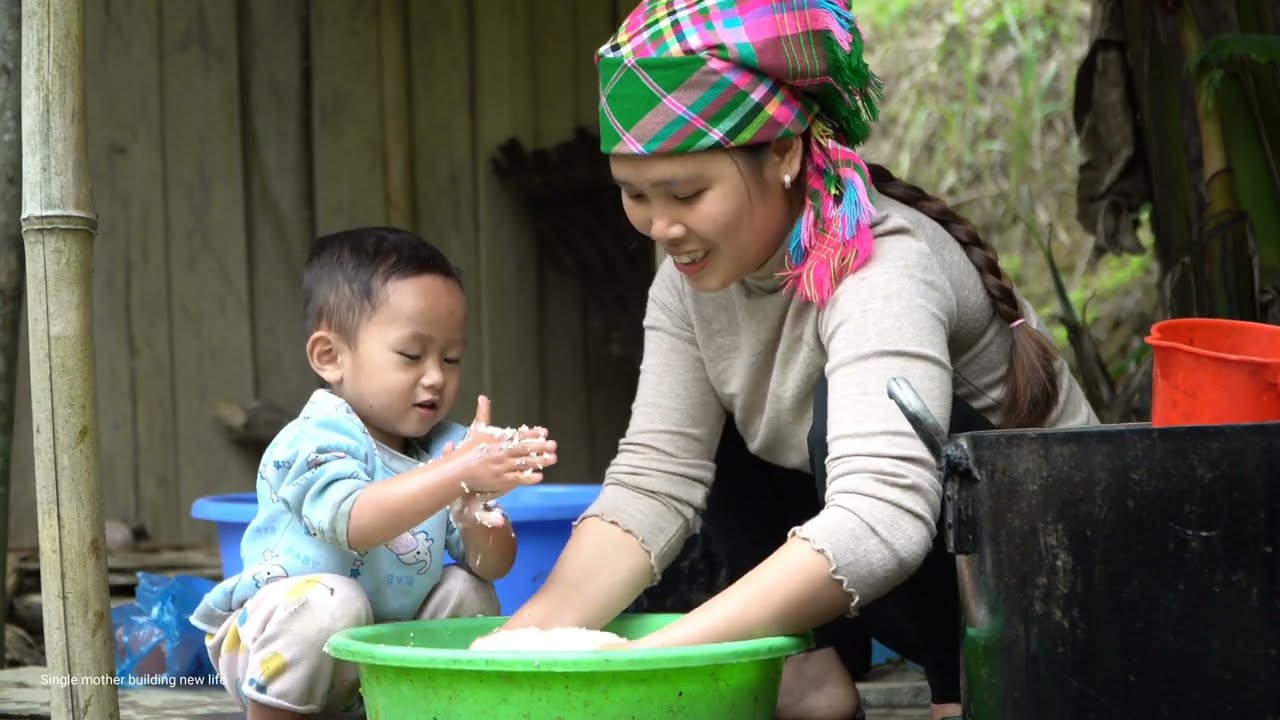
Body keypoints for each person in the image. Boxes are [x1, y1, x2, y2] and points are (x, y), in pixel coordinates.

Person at [495, 2, 1099, 719]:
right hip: (886, 547)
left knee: (841, 426)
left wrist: (660, 656)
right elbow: (657, 478)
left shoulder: (883, 269)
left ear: (784, 153)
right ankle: (806, 664)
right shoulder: (688, 281)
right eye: (634, 195)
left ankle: (957, 681)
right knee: (716, 429)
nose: (661, 227)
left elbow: (883, 515)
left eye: (686, 193)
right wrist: (524, 642)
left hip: (1044, 577)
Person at [190, 227, 558, 719]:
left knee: (468, 590)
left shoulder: (443, 449)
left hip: (376, 661)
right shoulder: (317, 436)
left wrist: (477, 511)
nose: (435, 376)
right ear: (331, 357)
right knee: (331, 600)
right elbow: (355, 522)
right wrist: (457, 474)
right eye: (411, 355)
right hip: (272, 647)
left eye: (451, 359)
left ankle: (417, 710)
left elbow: (492, 567)